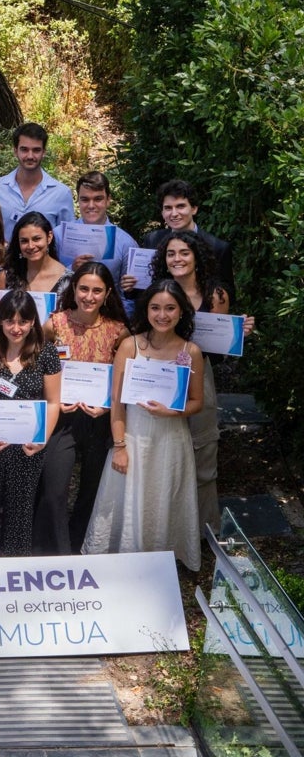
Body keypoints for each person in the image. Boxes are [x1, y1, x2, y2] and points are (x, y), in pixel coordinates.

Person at [82, 280, 205, 571]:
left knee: (163, 497)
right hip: (133, 435)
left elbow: (197, 401)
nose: (162, 315)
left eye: (170, 308)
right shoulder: (130, 345)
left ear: (181, 312)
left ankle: (161, 562)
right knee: (126, 499)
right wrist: (120, 446)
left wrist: (171, 412)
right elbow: (117, 401)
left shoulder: (191, 351)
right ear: (146, 309)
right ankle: (123, 560)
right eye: (155, 308)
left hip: (171, 439)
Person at [150, 230, 254, 535]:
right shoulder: (158, 290)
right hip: (160, 373)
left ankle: (202, 531)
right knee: (162, 449)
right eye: (171, 253)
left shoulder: (215, 294)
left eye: (184, 253)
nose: (177, 259)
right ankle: (164, 529)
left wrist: (237, 334)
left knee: (203, 449)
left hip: (199, 374)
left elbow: (218, 351)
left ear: (197, 257)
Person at [33, 262, 130, 555]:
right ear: (74, 289)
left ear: (108, 293)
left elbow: (125, 379)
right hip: (62, 418)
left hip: (100, 420)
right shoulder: (54, 324)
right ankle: (52, 551)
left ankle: (78, 544)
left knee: (93, 490)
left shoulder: (119, 332)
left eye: (97, 291)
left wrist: (108, 408)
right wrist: (51, 398)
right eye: (84, 288)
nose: (89, 296)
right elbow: (33, 366)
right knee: (54, 489)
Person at [0, 290, 62, 557]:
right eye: (9, 321)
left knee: (20, 504)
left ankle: (14, 561)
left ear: (32, 322)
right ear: (0, 322)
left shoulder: (47, 355)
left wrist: (42, 439)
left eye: (23, 322)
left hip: (26, 448)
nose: (16, 328)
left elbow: (53, 402)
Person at [129, 179, 235, 302]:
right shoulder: (153, 240)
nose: (174, 213)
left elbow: (228, 294)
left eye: (180, 206)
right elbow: (144, 289)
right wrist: (131, 287)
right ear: (162, 212)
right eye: (168, 208)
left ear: (194, 209)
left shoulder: (217, 247)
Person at [0, 122, 75, 239]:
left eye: (36, 150)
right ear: (15, 151)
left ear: (44, 152)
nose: (30, 156)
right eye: (24, 150)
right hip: (3, 257)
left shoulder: (61, 193)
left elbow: (67, 239)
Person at [53, 171, 138, 292]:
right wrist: (71, 269)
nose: (91, 205)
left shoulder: (125, 243)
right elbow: (45, 279)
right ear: (78, 200)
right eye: (85, 199)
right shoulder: (58, 235)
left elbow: (129, 296)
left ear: (108, 200)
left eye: (98, 199)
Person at [0, 210, 68, 319]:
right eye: (24, 241)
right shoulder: (6, 277)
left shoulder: (69, 281)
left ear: (49, 237)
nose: (31, 246)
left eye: (36, 239)